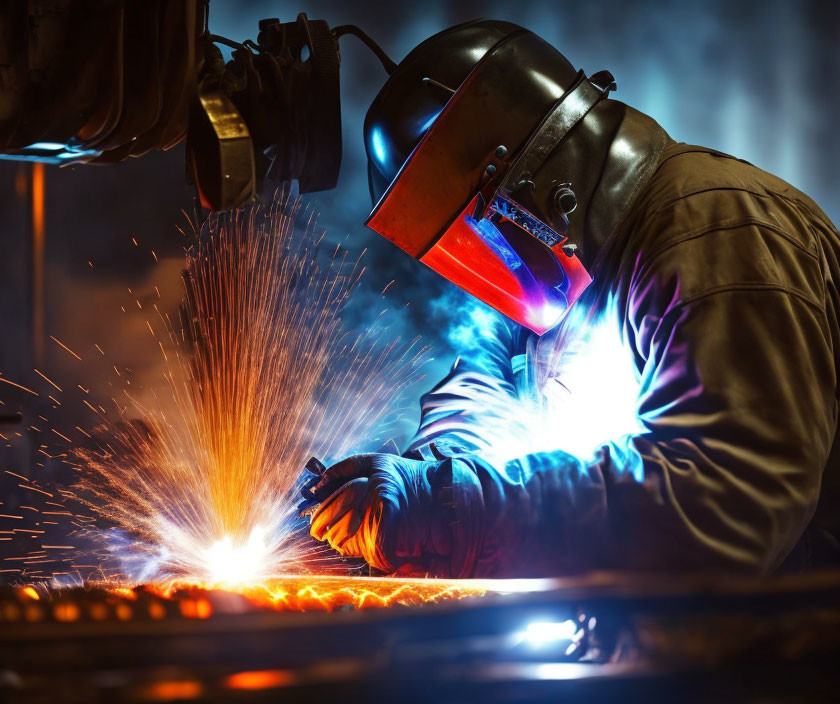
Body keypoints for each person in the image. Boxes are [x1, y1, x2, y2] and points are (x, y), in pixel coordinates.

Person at [302, 19, 840, 578]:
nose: (482, 268)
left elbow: (725, 501)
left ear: (530, 181)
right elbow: (481, 393)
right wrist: (423, 481)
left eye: (478, 233)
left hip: (796, 647)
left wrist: (452, 509)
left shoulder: (719, 233)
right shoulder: (547, 272)